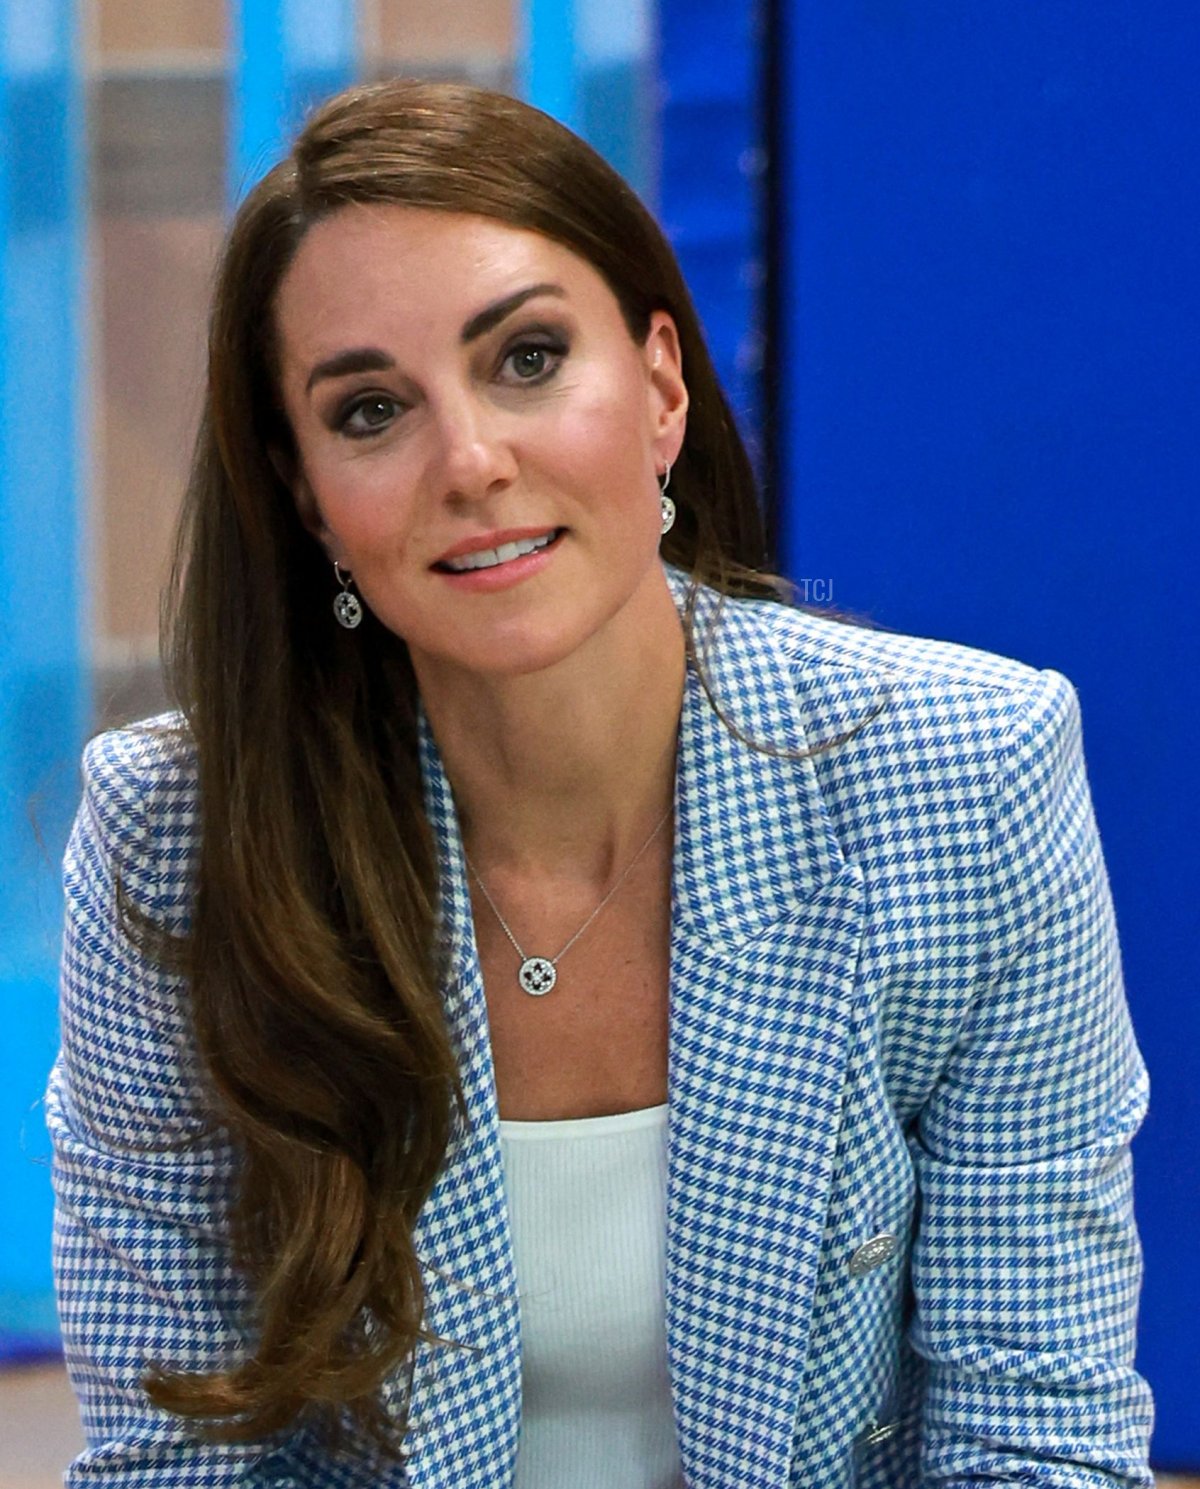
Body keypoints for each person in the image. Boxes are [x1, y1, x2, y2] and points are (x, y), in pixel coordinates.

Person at [47, 78, 1154, 1488]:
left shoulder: (969, 771)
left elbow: (1035, 1437)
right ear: (309, 494)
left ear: (661, 387)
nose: (472, 461)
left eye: (525, 359)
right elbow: (173, 1457)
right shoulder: (177, 840)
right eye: (373, 409)